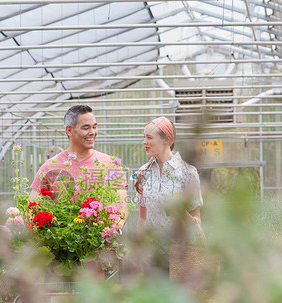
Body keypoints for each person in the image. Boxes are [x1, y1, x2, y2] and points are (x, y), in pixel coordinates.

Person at [30, 105, 129, 227]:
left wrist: (108, 230)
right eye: (86, 128)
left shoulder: (110, 164)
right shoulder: (50, 167)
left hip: (101, 242)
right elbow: (32, 209)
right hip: (62, 243)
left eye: (94, 127)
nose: (92, 132)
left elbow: (121, 208)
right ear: (69, 130)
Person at [134, 116, 205, 281]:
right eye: (144, 137)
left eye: (149, 137)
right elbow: (143, 218)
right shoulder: (143, 173)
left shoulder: (187, 172)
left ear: (167, 139)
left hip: (181, 253)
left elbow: (196, 219)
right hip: (153, 255)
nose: (144, 141)